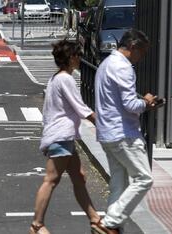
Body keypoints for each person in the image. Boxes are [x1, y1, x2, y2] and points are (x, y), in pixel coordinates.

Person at [29, 40, 103, 234]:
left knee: (79, 176)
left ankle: (95, 219)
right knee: (51, 179)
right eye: (78, 55)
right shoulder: (66, 79)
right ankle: (37, 225)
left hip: (63, 136)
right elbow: (80, 107)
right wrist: (101, 122)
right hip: (60, 136)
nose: (81, 58)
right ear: (71, 58)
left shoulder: (56, 78)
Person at [93, 29, 161, 234]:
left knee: (119, 183)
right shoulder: (123, 67)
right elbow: (130, 104)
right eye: (142, 52)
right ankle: (110, 222)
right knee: (144, 178)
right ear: (133, 47)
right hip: (123, 133)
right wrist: (147, 103)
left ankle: (113, 228)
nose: (142, 57)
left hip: (107, 132)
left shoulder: (105, 64)